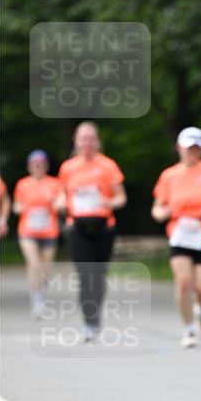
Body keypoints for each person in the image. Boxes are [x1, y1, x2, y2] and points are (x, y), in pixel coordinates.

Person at [152, 127, 201, 348]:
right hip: (179, 233)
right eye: (188, 148)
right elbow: (157, 208)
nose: (192, 152)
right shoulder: (169, 175)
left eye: (196, 148)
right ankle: (188, 329)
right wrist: (161, 214)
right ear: (179, 148)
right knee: (184, 282)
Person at [58, 122, 127, 342]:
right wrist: (59, 204)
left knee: (98, 275)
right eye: (83, 138)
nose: (86, 143)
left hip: (103, 226)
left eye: (90, 138)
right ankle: (89, 321)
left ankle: (95, 312)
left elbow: (121, 197)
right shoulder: (68, 168)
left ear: (97, 141)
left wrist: (109, 202)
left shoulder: (108, 166)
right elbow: (62, 195)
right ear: (76, 141)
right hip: (77, 226)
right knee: (85, 274)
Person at [12, 150, 66, 316]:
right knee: (34, 263)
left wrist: (58, 204)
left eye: (41, 164)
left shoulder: (55, 183)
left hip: (49, 231)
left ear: (46, 166)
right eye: (35, 164)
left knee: (45, 268)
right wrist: (21, 208)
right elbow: (16, 206)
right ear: (29, 167)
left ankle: (41, 293)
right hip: (27, 231)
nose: (38, 167)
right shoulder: (23, 184)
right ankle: (36, 299)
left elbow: (62, 201)